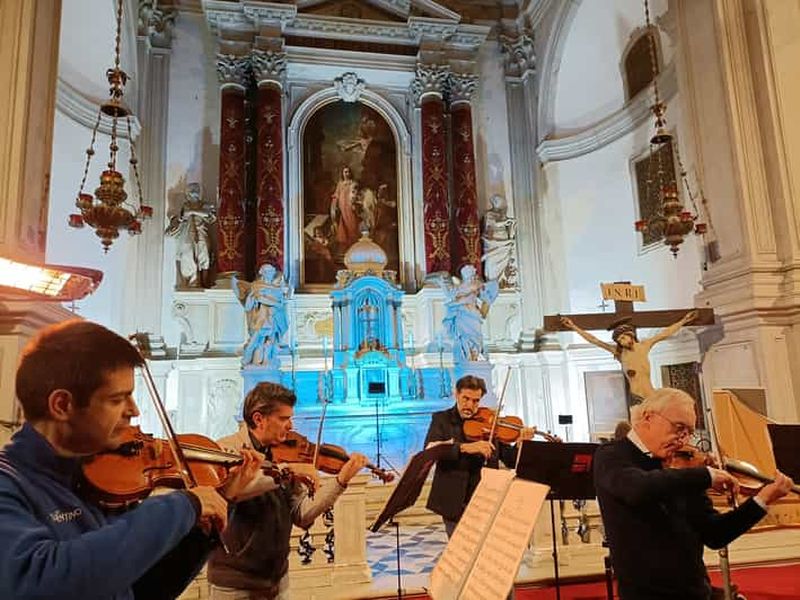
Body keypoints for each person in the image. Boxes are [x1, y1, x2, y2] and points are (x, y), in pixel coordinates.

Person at [0, 320, 262, 600]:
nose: (134, 411)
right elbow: (40, 581)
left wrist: (210, 519)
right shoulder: (10, 486)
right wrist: (184, 505)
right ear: (62, 405)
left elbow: (138, 589)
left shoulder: (96, 479)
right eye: (117, 399)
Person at [594, 387, 794, 600]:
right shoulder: (612, 456)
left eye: (689, 432)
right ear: (648, 417)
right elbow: (638, 489)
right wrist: (705, 475)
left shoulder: (684, 473)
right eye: (678, 428)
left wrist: (763, 499)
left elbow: (715, 534)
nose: (683, 439)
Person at [207, 381, 369, 600]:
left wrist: (341, 480)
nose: (290, 426)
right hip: (234, 584)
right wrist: (287, 472)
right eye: (284, 419)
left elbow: (302, 514)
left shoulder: (285, 453)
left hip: (277, 579)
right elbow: (232, 493)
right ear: (258, 419)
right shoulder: (227, 450)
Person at [423, 375, 534, 539]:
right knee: (460, 551)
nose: (470, 405)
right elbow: (430, 450)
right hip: (454, 499)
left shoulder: (489, 423)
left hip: (486, 499)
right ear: (456, 394)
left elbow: (510, 459)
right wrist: (465, 447)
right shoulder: (442, 419)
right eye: (465, 399)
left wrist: (521, 443)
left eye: (476, 401)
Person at [559, 310, 699, 402]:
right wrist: (573, 326)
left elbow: (665, 333)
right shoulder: (619, 353)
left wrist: (684, 321)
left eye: (623, 338)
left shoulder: (644, 346)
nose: (621, 342)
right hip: (634, 397)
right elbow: (594, 340)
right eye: (619, 340)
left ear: (630, 335)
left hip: (650, 394)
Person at [233, 264, 290, 368]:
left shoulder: (276, 288)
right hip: (260, 319)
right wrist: (272, 302)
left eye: (271, 271)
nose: (270, 273)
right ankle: (247, 360)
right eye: (267, 271)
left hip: (272, 318)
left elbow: (281, 303)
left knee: (269, 342)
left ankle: (265, 361)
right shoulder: (256, 286)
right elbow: (251, 303)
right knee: (255, 341)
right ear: (261, 272)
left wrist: (274, 302)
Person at [440, 265, 499, 363]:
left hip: (473, 315)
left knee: (475, 338)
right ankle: (469, 357)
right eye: (472, 277)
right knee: (465, 338)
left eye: (474, 276)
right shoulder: (463, 288)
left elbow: (493, 287)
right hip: (464, 315)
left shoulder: (474, 286)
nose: (474, 278)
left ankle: (472, 357)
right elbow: (454, 299)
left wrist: (484, 298)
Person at [165, 183, 217, 288]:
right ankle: (191, 283)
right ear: (187, 193)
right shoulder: (183, 207)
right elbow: (179, 219)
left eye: (195, 190)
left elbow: (211, 217)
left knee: (204, 257)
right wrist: (186, 215)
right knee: (187, 257)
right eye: (191, 190)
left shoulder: (205, 205)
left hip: (201, 233)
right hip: (187, 236)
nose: (193, 193)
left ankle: (204, 282)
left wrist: (192, 212)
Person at [481, 194, 518, 289]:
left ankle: (501, 281)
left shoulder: (502, 214)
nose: (500, 204)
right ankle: (492, 280)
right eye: (498, 202)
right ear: (494, 203)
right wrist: (506, 222)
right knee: (492, 261)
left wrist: (510, 224)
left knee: (504, 259)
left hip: (503, 239)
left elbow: (507, 227)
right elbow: (494, 224)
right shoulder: (489, 214)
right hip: (493, 241)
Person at [330, 165, 360, 250]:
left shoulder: (353, 183)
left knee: (352, 222)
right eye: (345, 172)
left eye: (348, 172)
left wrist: (354, 203)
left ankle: (354, 242)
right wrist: (334, 203)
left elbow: (356, 194)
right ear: (342, 173)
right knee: (343, 223)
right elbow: (336, 195)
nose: (347, 174)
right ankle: (345, 244)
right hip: (342, 206)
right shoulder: (340, 184)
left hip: (350, 205)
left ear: (351, 173)